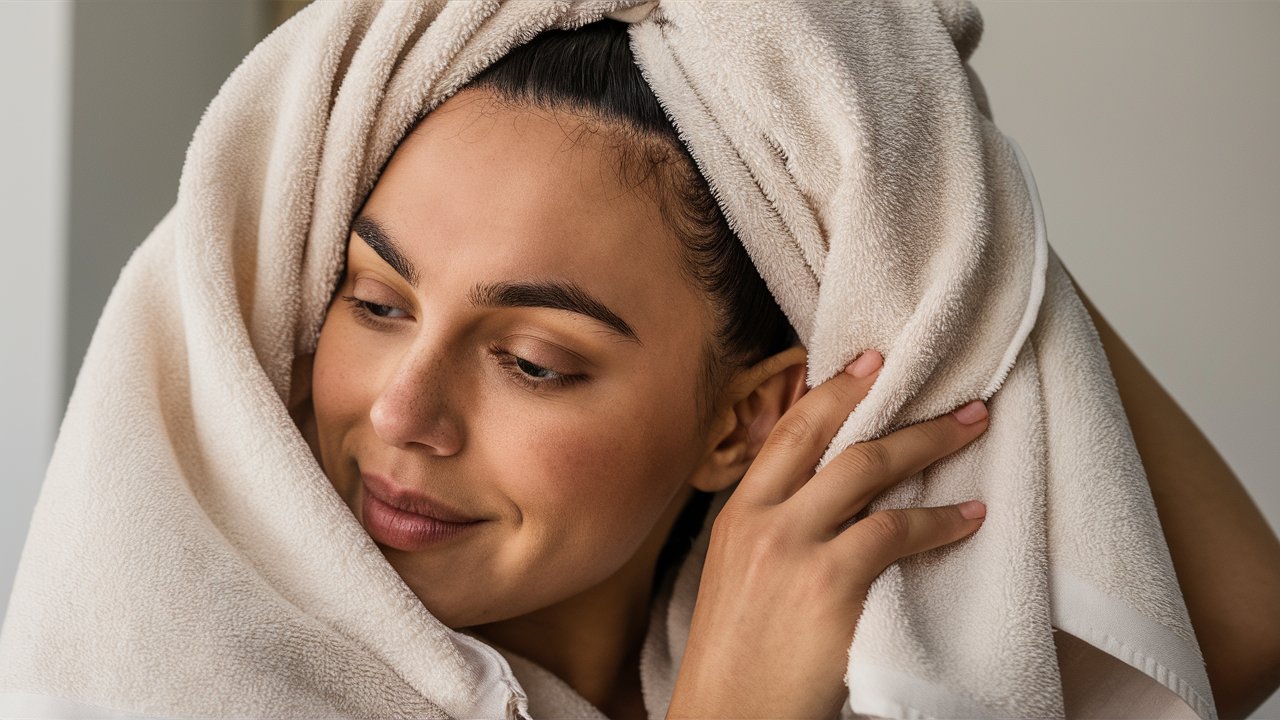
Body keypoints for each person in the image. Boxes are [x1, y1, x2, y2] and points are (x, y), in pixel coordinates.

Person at [288, 19, 1280, 720]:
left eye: (530, 361)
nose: (399, 409)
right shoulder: (226, 675)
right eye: (376, 303)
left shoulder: (857, 652)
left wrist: (915, 187)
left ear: (743, 421)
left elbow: (1233, 628)